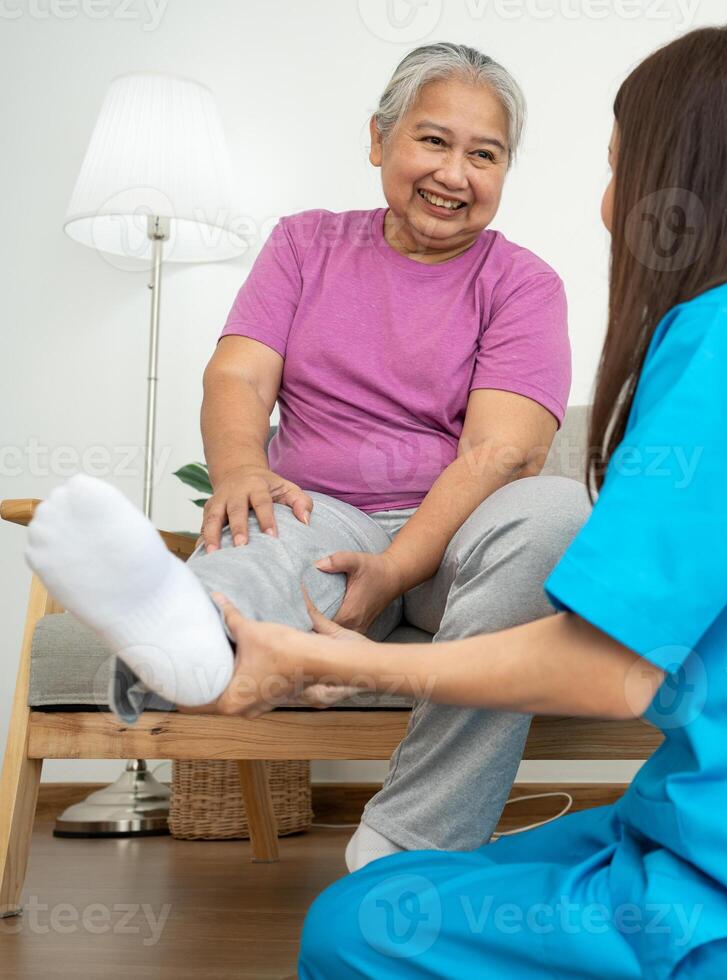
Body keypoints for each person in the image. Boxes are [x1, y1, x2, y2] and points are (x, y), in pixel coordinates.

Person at [194, 25, 727, 977]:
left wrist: (360, 661)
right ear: (381, 139)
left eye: (619, 170)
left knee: (352, 926)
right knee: (433, 883)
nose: (609, 206)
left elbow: (609, 671)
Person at [22, 41, 583, 874]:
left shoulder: (524, 282)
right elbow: (239, 374)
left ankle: (409, 838)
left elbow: (502, 451)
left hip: (456, 545)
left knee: (557, 511)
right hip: (321, 514)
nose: (454, 173)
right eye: (433, 141)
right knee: (260, 545)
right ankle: (186, 629)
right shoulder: (304, 245)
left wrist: (393, 569)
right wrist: (243, 470)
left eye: (484, 154)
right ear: (378, 140)